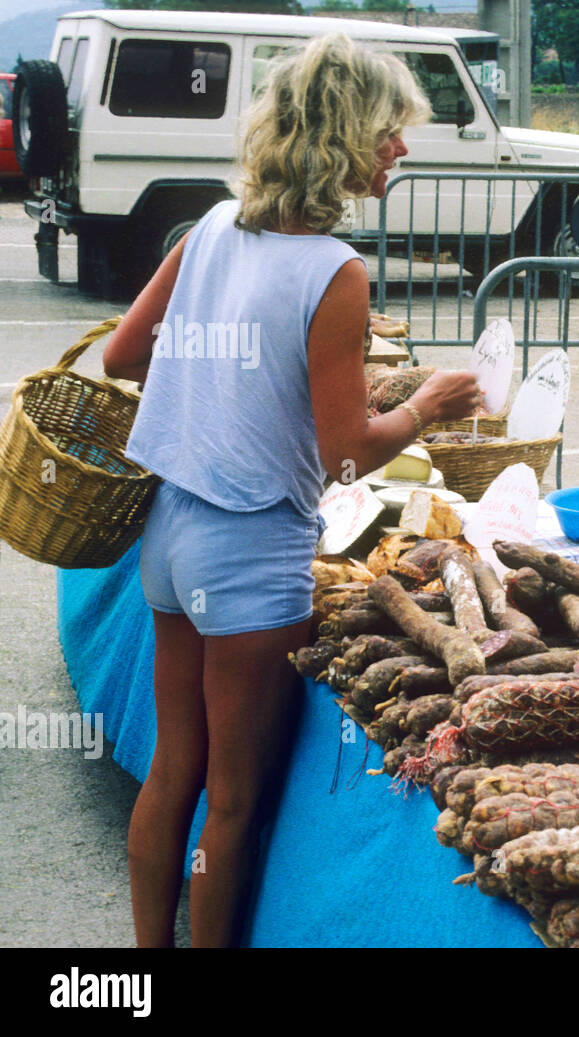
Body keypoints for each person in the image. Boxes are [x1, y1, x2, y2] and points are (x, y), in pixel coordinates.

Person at [101, 34, 481, 947]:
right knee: (230, 803)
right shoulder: (335, 272)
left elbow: (122, 356)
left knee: (172, 769)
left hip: (169, 535)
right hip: (249, 553)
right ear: (346, 135)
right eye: (391, 130)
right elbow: (349, 456)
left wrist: (218, 387)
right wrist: (425, 406)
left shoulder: (213, 229)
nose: (401, 147)